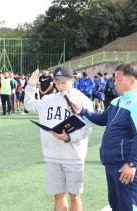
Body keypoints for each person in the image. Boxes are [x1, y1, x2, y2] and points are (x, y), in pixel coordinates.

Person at [73, 63, 137, 211]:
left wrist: (132, 164)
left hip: (126, 165)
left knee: (127, 207)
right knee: (116, 205)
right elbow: (102, 119)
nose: (114, 82)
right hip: (113, 163)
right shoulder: (117, 101)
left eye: (118, 79)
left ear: (131, 80)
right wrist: (82, 111)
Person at [24, 66, 93, 211]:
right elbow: (29, 106)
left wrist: (68, 137)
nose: (60, 86)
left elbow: (86, 129)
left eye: (64, 82)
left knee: (75, 196)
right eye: (57, 82)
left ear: (72, 80)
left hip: (74, 156)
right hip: (52, 156)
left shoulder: (83, 100)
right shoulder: (48, 99)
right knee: (58, 195)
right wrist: (30, 86)